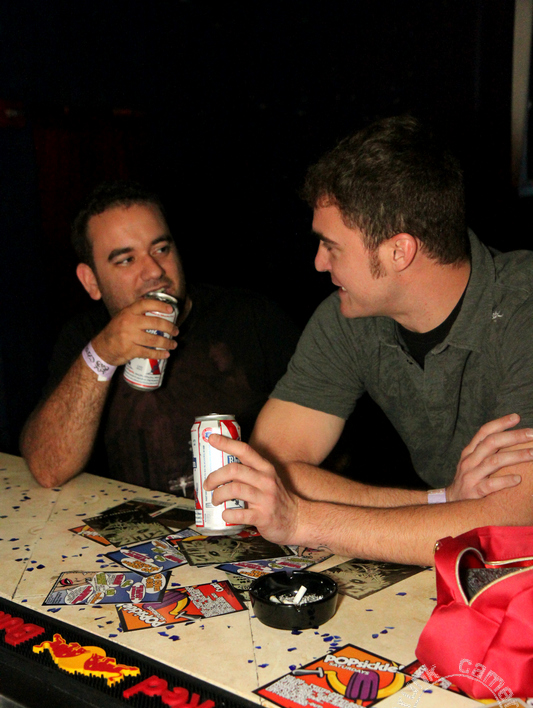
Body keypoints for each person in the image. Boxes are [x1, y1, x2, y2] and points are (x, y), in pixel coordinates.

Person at [201, 115, 533, 565]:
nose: (318, 263)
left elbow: (509, 526)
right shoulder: (350, 316)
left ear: (399, 251)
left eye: (332, 246)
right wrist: (441, 501)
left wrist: (302, 521)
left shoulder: (523, 310)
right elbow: (271, 469)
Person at [20, 181, 301, 496]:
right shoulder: (86, 336)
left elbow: (325, 448)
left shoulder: (250, 317)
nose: (153, 270)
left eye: (161, 249)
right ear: (91, 282)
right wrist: (102, 355)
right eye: (126, 260)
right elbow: (49, 468)